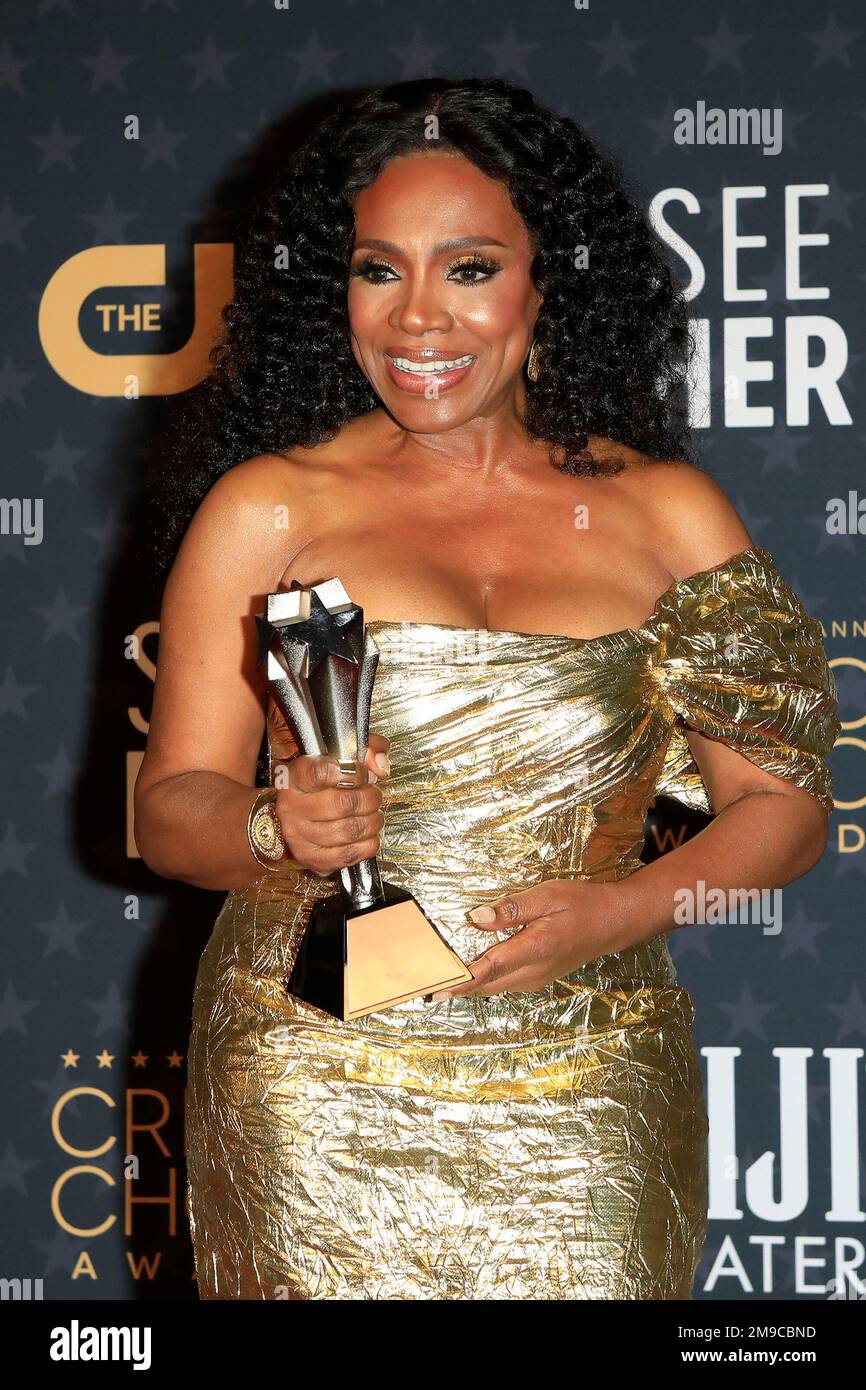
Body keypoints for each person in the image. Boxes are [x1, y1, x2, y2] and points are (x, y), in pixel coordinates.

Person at [134, 77, 840, 1300]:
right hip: (317, 1071)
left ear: (545, 283)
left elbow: (781, 813)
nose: (417, 319)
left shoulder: (664, 512)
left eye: (467, 269)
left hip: (591, 1076)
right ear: (333, 290)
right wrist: (270, 823)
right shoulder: (268, 507)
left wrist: (624, 913)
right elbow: (166, 811)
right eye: (376, 269)